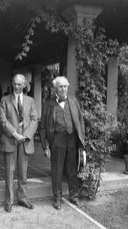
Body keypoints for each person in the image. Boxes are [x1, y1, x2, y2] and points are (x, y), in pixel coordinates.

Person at [40, 76, 85, 210]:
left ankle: (74, 196)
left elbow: (81, 121)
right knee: (57, 170)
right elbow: (42, 126)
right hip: (56, 141)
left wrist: (82, 141)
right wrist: (46, 145)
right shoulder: (49, 104)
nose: (64, 89)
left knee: (72, 170)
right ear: (55, 89)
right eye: (61, 86)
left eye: (65, 86)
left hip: (72, 140)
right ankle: (57, 198)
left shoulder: (73, 101)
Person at [0, 74, 38, 212]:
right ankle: (9, 201)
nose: (17, 86)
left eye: (20, 84)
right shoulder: (5, 100)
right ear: (12, 84)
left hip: (24, 142)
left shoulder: (30, 101)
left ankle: (23, 198)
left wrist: (25, 136)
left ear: (25, 85)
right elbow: (2, 120)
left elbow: (34, 120)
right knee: (9, 171)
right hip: (10, 140)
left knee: (23, 172)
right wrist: (15, 134)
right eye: (15, 83)